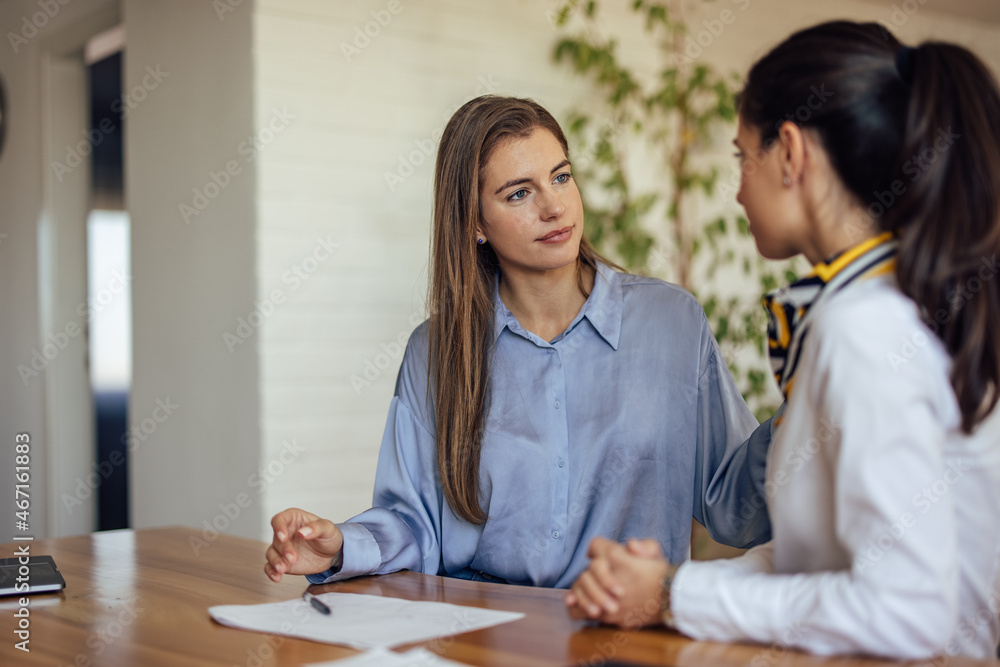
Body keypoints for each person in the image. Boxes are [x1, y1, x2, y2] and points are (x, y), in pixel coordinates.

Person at [565, 21, 1000, 660]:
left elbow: (908, 612)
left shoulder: (864, 327)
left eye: (744, 157)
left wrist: (671, 595)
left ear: (790, 153)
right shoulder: (902, 303)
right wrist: (667, 589)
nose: (739, 190)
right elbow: (824, 557)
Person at [264, 95, 775, 590]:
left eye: (561, 177)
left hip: (628, 632)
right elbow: (414, 524)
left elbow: (733, 508)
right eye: (519, 193)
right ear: (475, 223)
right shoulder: (435, 351)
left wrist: (811, 399)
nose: (554, 206)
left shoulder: (671, 321)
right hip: (481, 635)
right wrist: (341, 548)